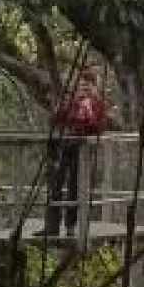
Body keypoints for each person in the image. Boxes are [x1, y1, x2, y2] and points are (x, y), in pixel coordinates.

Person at [46, 66, 112, 237]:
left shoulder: (98, 105)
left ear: (94, 87)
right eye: (82, 86)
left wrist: (88, 111)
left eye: (88, 86)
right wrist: (64, 106)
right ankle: (51, 225)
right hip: (67, 146)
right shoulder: (73, 103)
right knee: (55, 184)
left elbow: (99, 127)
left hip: (83, 150)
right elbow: (56, 120)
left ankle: (70, 226)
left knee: (75, 187)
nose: (84, 89)